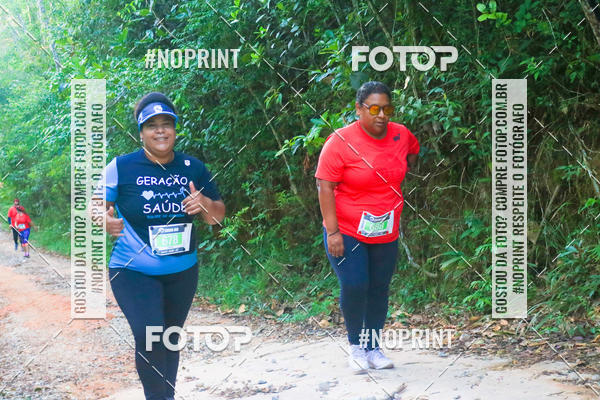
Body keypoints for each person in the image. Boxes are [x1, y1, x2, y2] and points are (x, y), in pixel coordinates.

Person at [102, 92, 225, 400]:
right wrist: (103, 219)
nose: (160, 131)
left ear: (175, 128)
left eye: (166, 124)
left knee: (169, 338)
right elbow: (96, 205)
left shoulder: (193, 167)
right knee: (150, 336)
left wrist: (204, 202)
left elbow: (218, 217)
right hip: (132, 269)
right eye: (151, 125)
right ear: (141, 132)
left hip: (182, 271)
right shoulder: (120, 167)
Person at [315, 81, 419, 373]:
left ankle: (373, 348)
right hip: (346, 229)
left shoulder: (400, 134)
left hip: (385, 229)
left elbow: (412, 152)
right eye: (374, 109)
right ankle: (356, 347)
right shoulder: (340, 141)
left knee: (378, 288)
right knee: (355, 284)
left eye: (387, 109)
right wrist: (332, 232)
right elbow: (324, 187)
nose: (381, 115)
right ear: (359, 109)